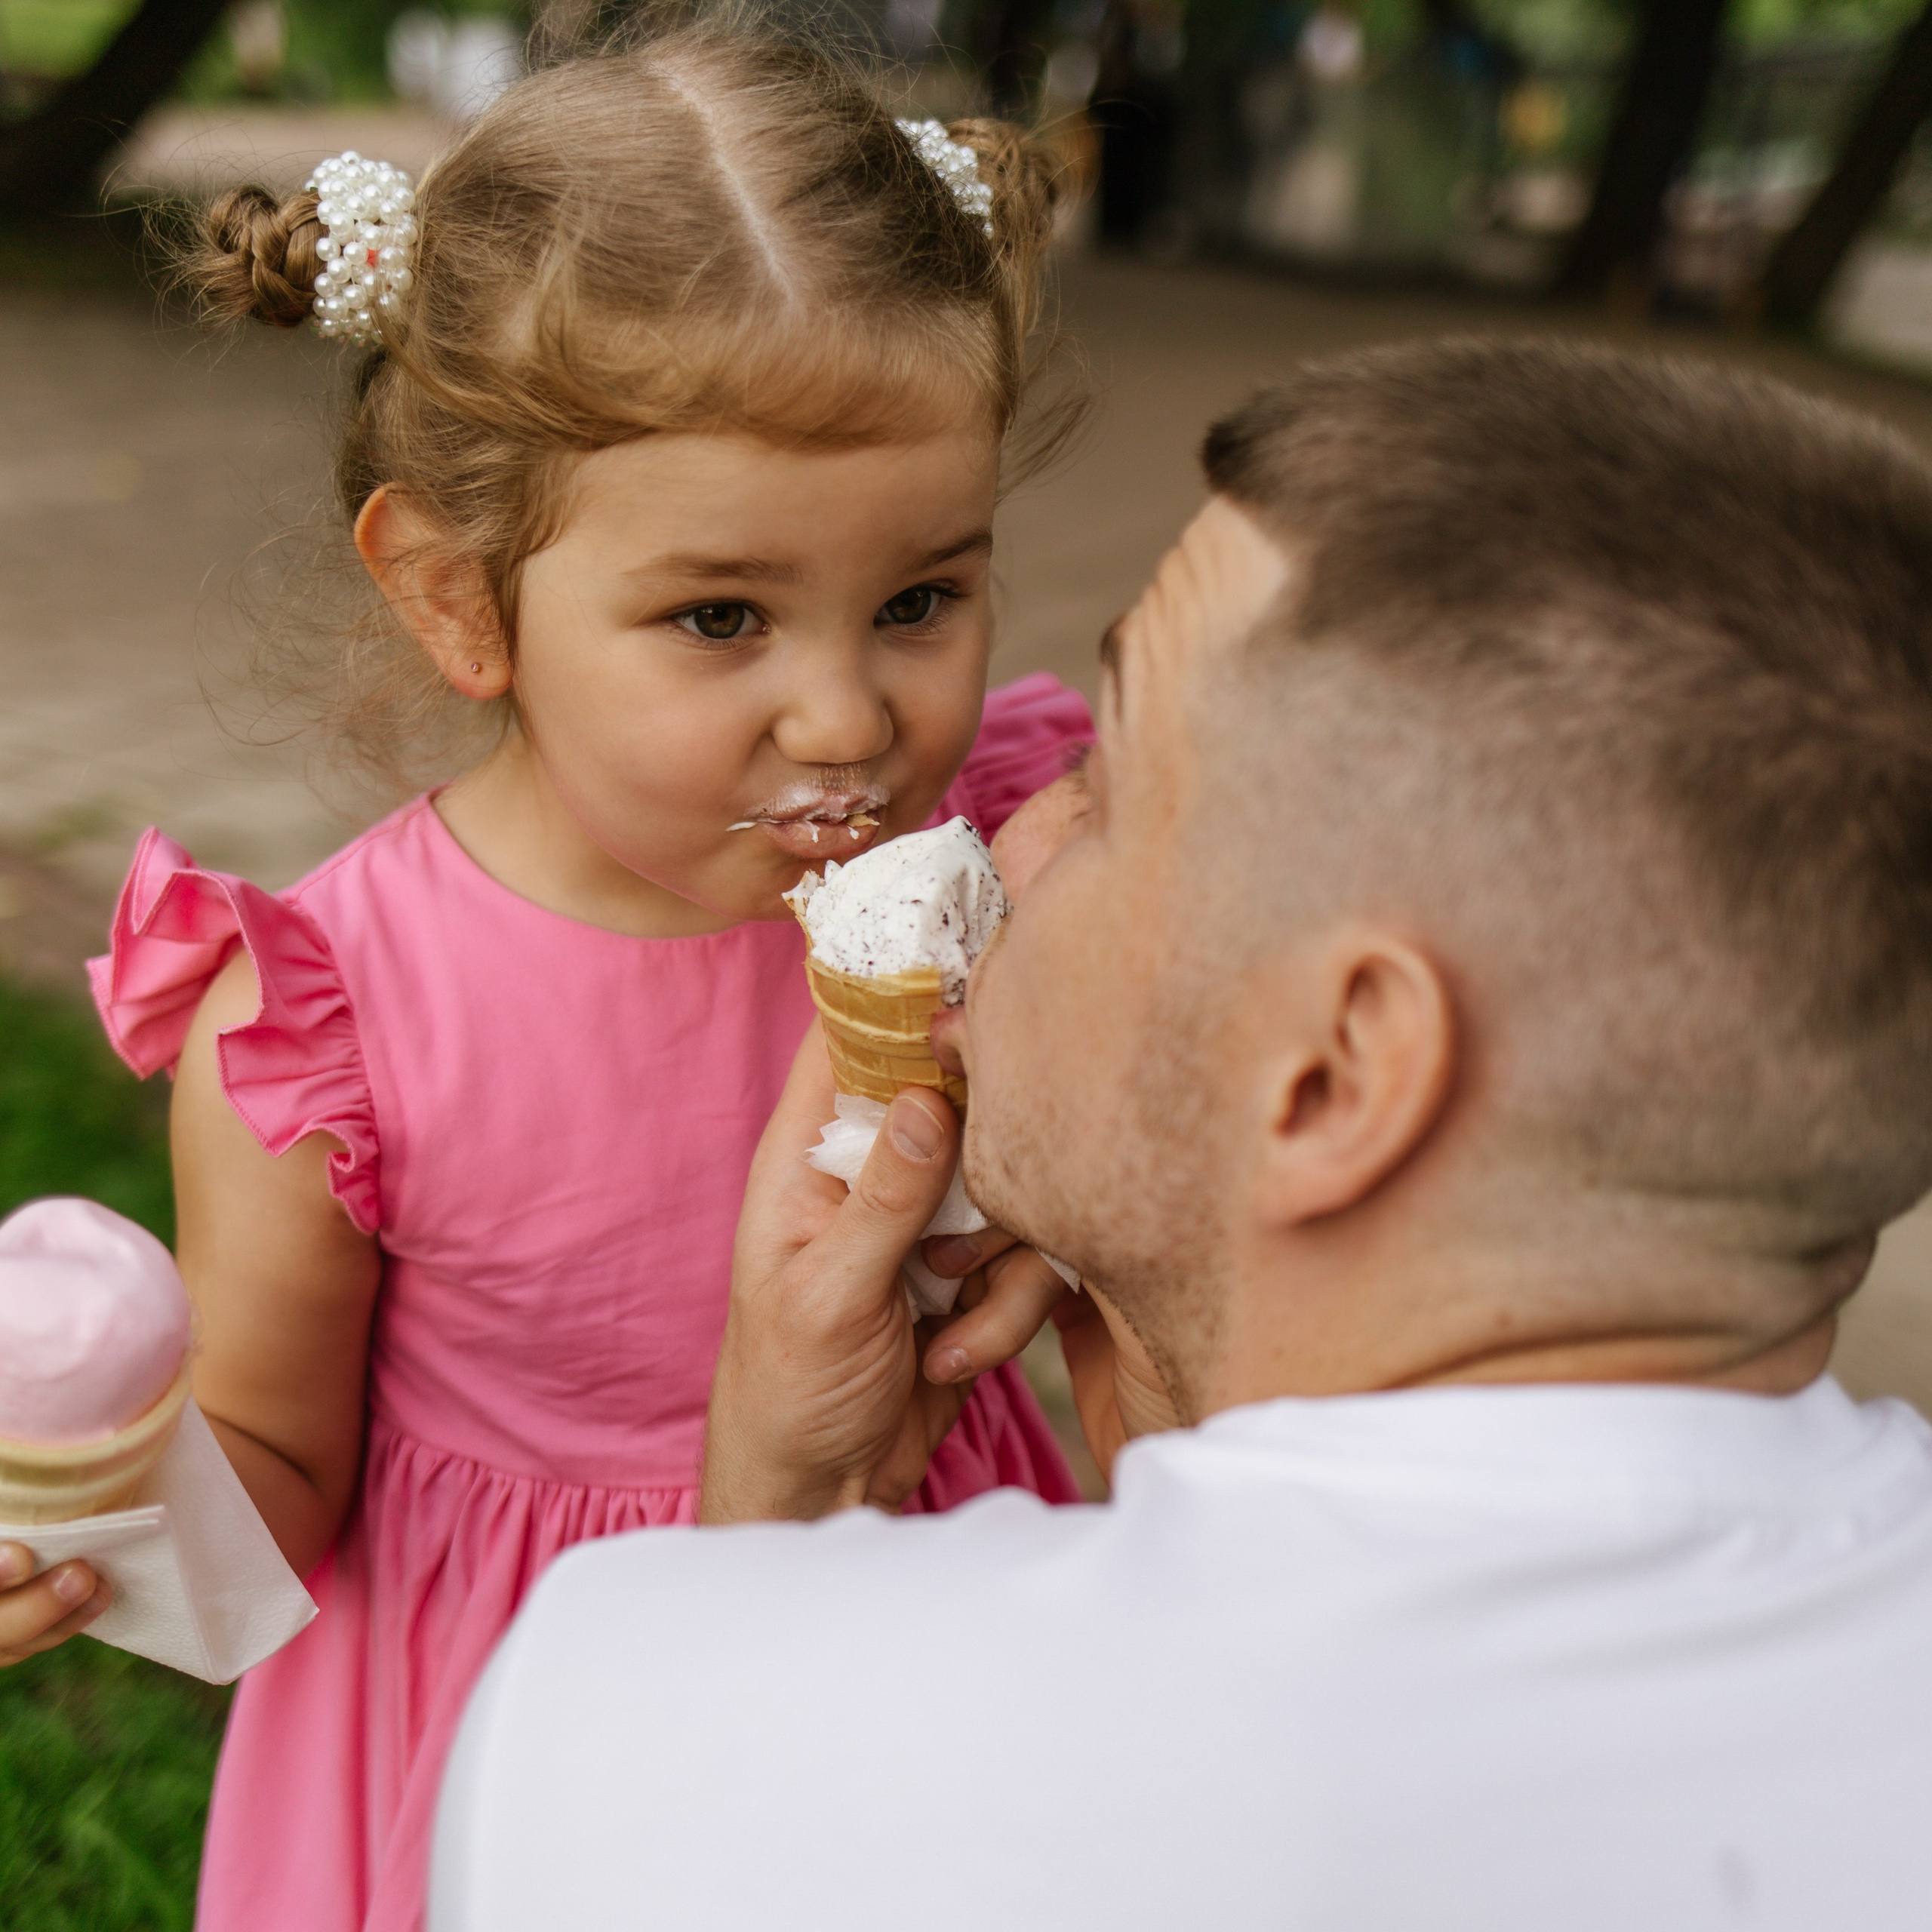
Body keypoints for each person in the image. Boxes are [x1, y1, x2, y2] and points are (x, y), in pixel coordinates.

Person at [435, 340, 1932, 1931]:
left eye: (1105, 776)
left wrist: (773, 1520)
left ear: (1335, 1072)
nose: (1009, 827)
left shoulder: (637, 1722)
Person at [0, 26, 1094, 1932]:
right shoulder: (323, 1016)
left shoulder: (1013, 846)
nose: (848, 710)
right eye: (719, 617)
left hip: (927, 1603)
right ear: (450, 594)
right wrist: (92, 1498)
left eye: (920, 595)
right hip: (506, 1705)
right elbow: (278, 1472)